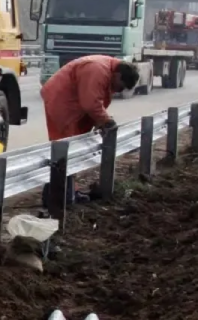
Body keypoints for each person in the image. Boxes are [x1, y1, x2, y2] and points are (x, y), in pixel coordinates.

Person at [39, 55, 141, 208]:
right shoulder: (97, 70)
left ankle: (68, 192)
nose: (117, 91)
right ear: (118, 75)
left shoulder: (107, 71)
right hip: (63, 103)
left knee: (73, 151)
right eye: (120, 87)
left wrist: (100, 120)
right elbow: (91, 103)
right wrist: (106, 121)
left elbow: (95, 100)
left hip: (73, 104)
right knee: (65, 152)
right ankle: (58, 198)